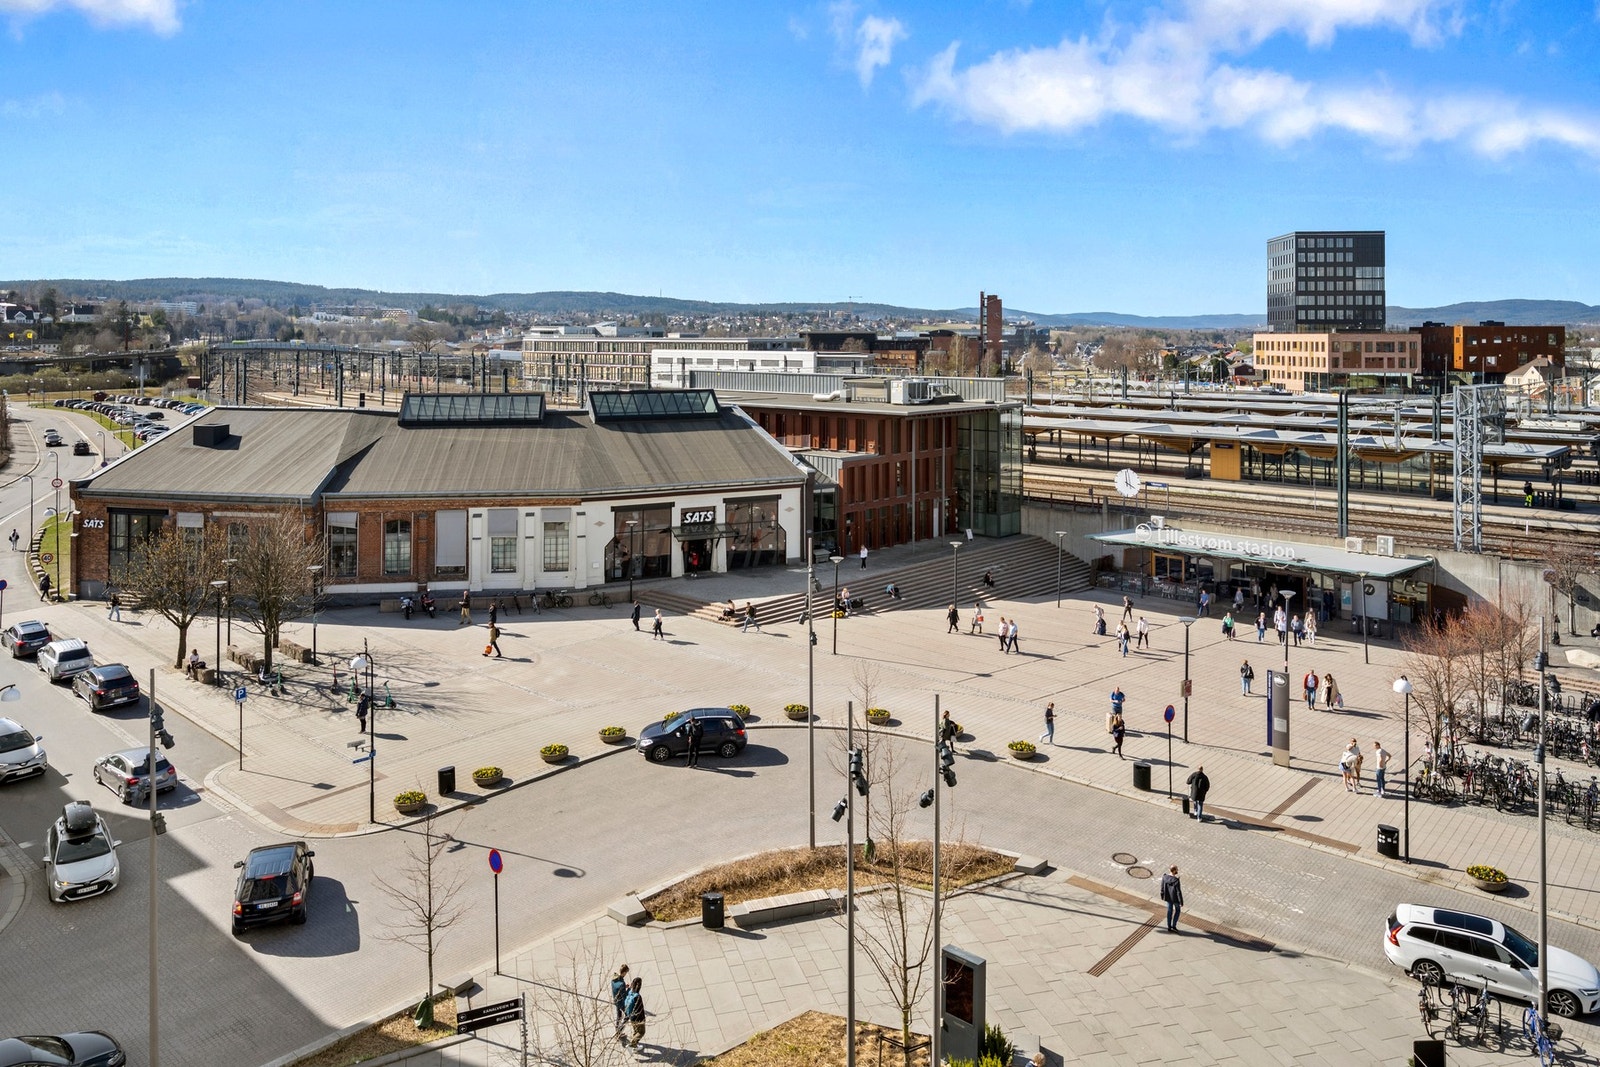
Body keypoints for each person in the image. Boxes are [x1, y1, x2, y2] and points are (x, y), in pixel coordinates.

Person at [621, 975, 646, 1048]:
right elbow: (640, 1009)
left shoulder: (630, 993)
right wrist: (643, 1019)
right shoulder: (638, 997)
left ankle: (634, 1041)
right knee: (641, 1032)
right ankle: (633, 1044)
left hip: (631, 1017)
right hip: (638, 1019)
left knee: (636, 1030)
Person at [1159, 866, 1184, 932]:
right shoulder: (1176, 880)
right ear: (1174, 871)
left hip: (1168, 897)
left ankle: (1169, 926)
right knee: (1177, 910)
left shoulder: (1164, 877)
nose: (1177, 870)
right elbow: (1178, 892)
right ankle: (1174, 926)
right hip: (1175, 899)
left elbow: (1162, 887)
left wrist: (1162, 895)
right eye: (1176, 869)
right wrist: (1181, 902)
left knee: (1169, 911)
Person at [610, 965, 631, 1036]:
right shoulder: (622, 983)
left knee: (619, 1016)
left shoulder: (614, 978)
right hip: (621, 1002)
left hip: (616, 1000)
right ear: (624, 972)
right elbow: (625, 995)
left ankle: (617, 1029)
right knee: (628, 1015)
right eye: (626, 972)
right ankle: (619, 1031)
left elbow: (617, 988)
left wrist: (624, 987)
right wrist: (629, 989)